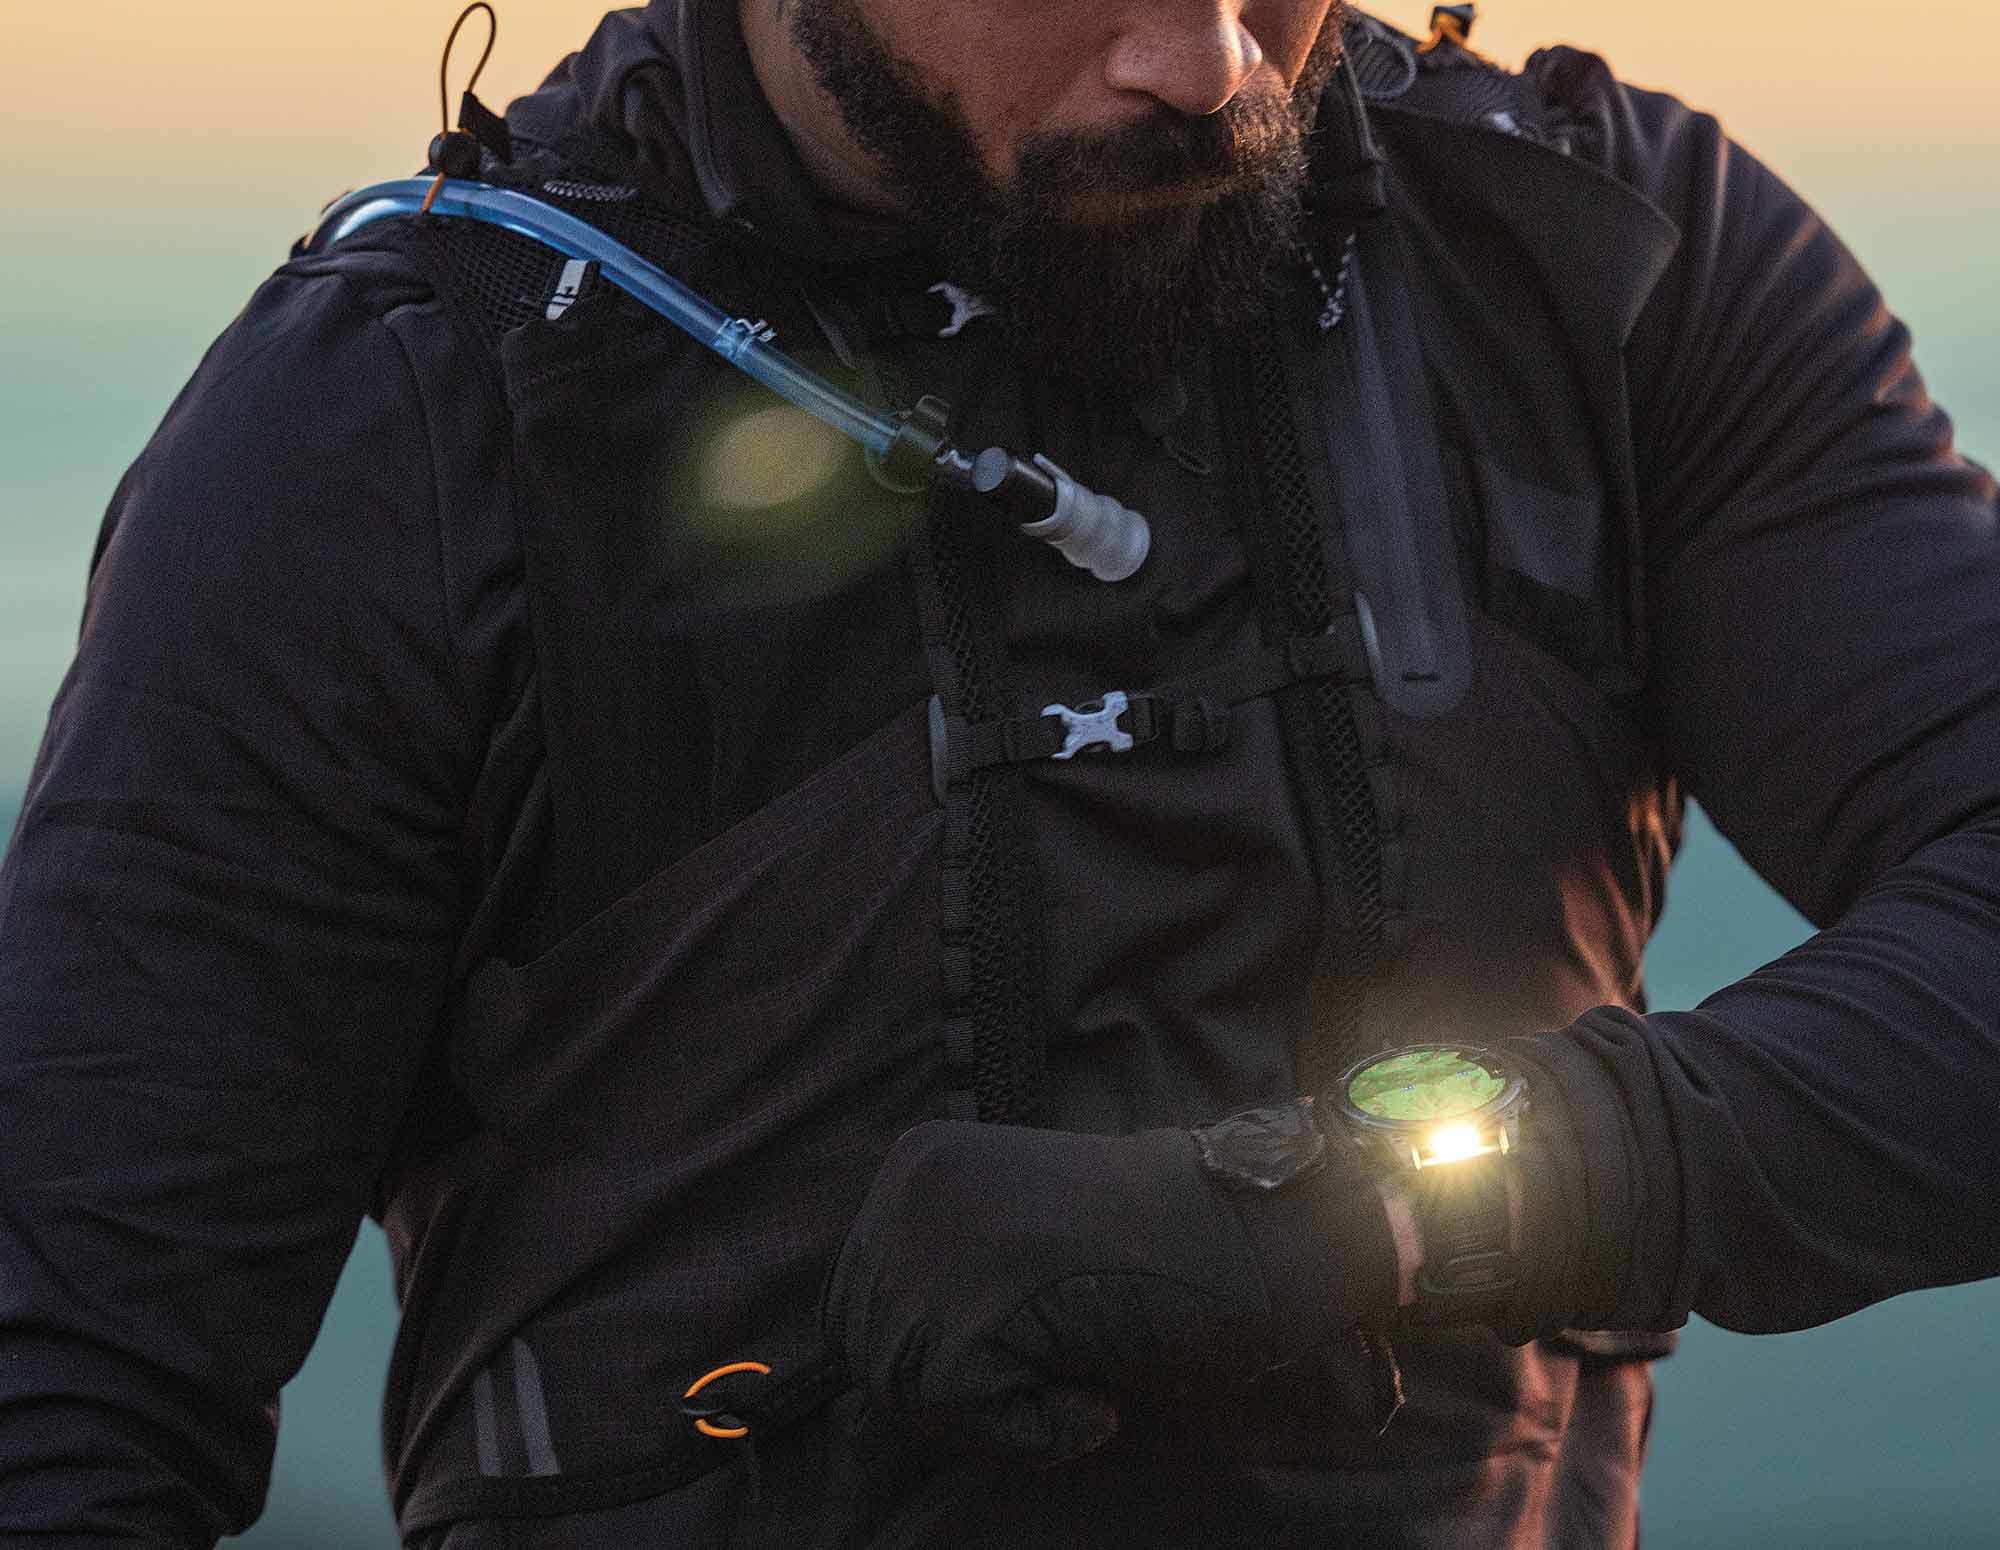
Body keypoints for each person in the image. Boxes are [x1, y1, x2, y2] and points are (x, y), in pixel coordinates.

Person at [2, 0, 1996, 1544]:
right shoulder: (403, 411)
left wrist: (1368, 1208)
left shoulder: (1601, 264)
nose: (1208, 65)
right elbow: (66, 1382)